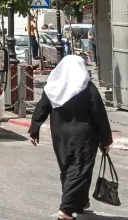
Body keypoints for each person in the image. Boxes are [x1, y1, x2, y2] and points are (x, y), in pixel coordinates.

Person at [30, 55, 113, 219]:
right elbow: (99, 115)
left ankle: (79, 202)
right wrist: (106, 140)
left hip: (60, 137)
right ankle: (66, 209)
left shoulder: (53, 88)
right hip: (84, 137)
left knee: (68, 169)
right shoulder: (87, 88)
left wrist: (34, 130)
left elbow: (41, 109)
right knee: (80, 170)